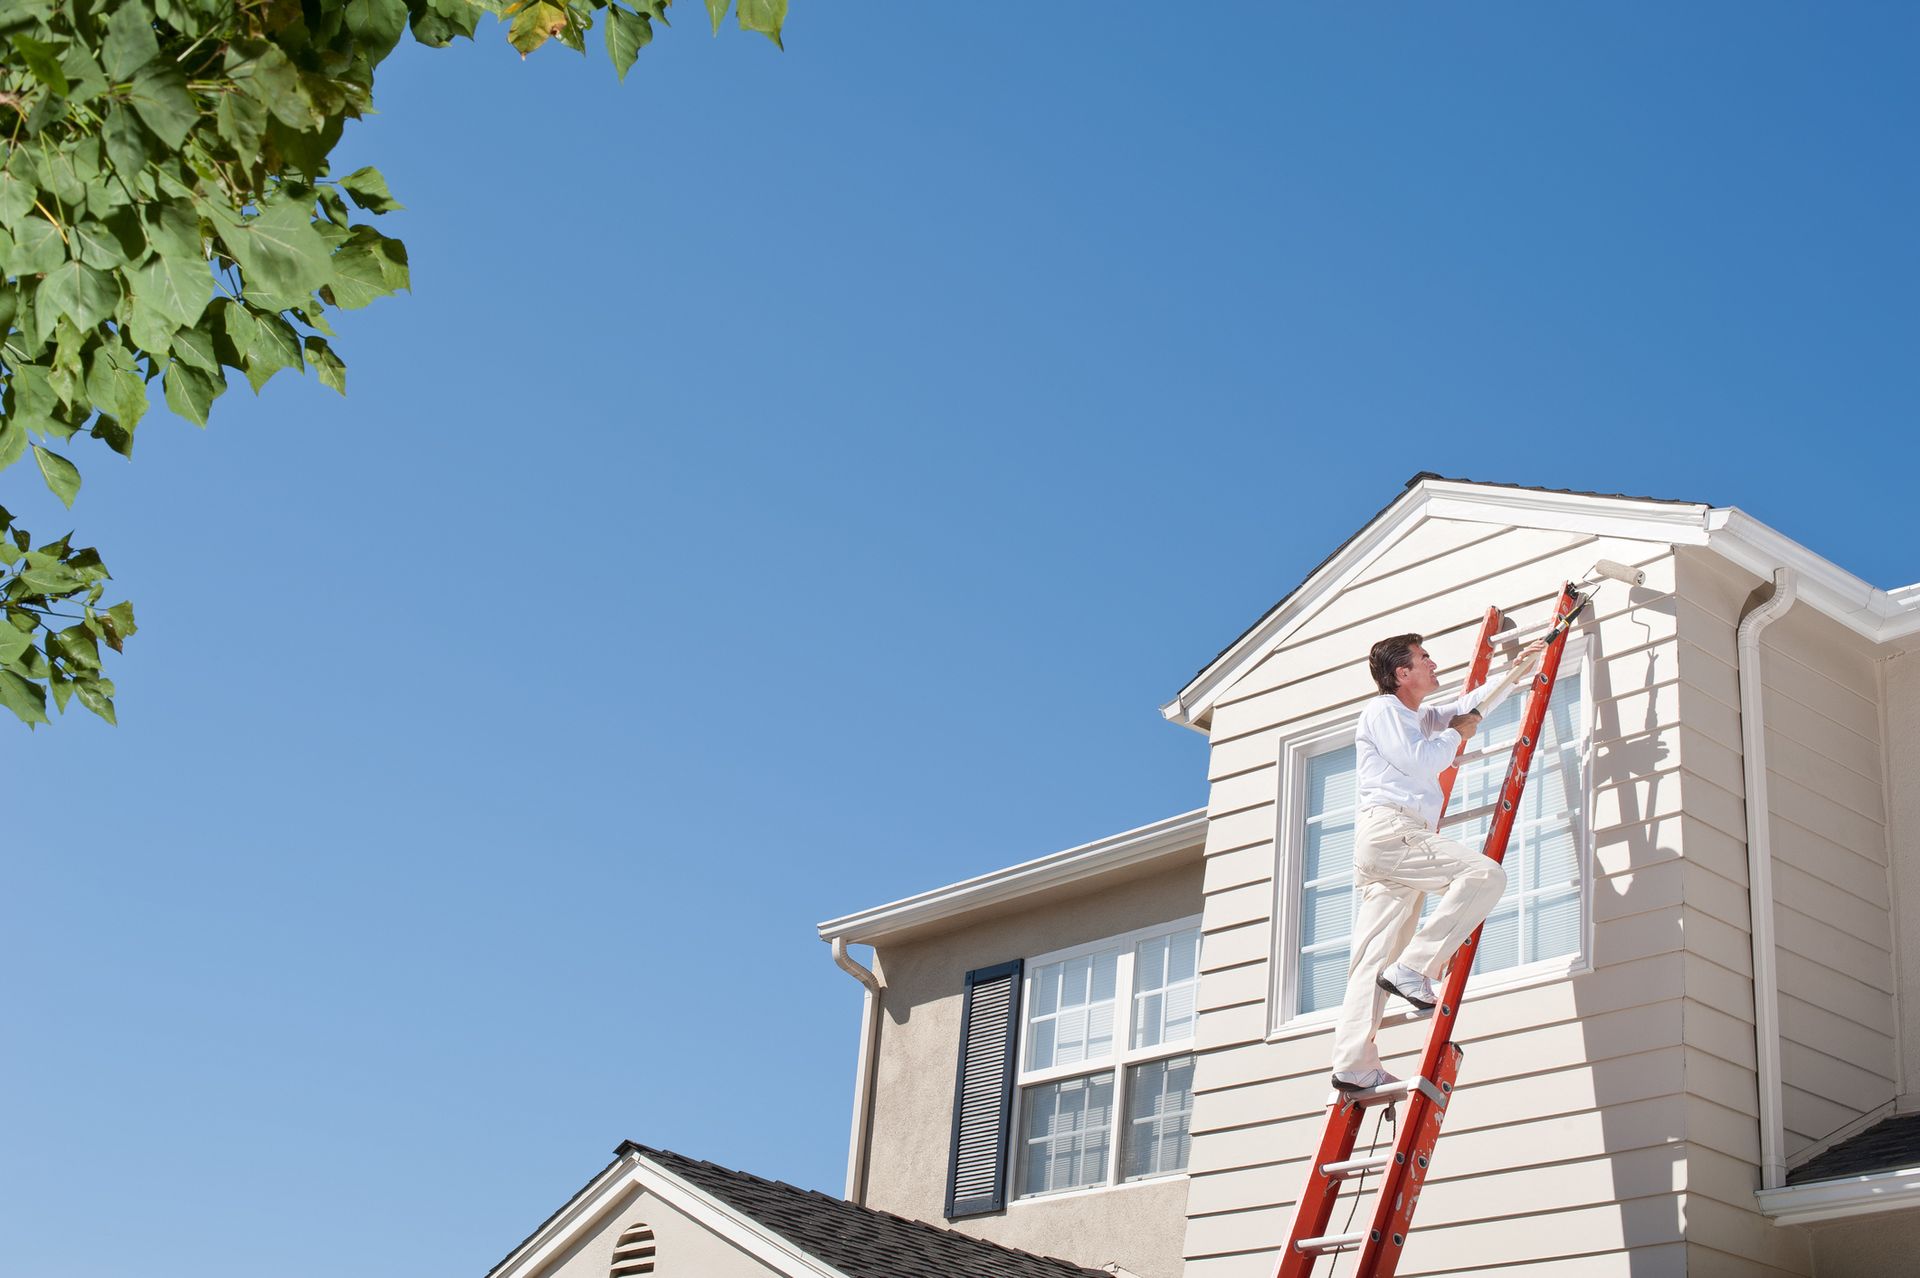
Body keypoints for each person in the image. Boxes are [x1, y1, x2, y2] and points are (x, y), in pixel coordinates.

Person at [1329, 632, 1546, 1093]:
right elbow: (1423, 761)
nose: (1433, 664)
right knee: (1484, 874)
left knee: (1373, 959)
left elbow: (1467, 707)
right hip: (1395, 832)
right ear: (1401, 674)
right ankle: (1416, 968)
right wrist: (1455, 734)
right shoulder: (1385, 711)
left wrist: (1515, 671)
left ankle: (1353, 1063)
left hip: (1388, 844)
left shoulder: (1416, 715)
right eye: (1423, 659)